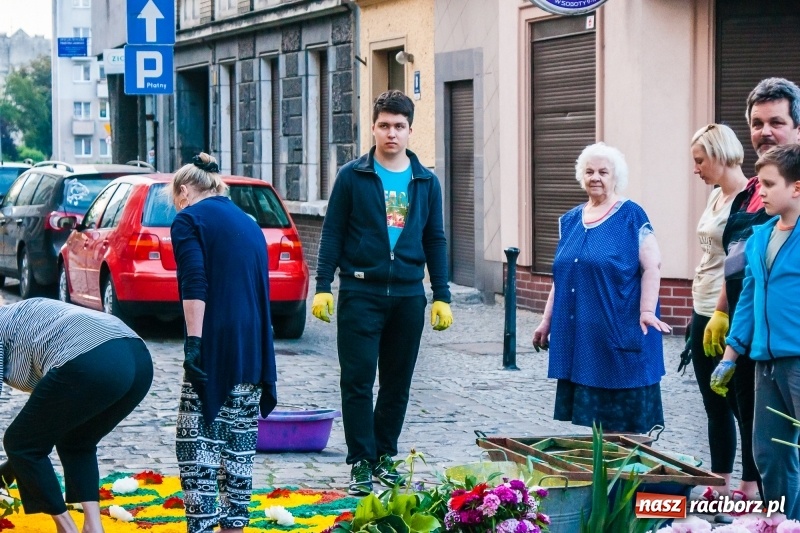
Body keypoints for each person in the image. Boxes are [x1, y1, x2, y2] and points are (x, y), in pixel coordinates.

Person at [312, 90, 453, 496]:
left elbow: (436, 239)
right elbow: (333, 233)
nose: (391, 133)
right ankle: (360, 461)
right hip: (360, 291)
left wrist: (441, 293)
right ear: (373, 127)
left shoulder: (425, 181)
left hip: (408, 296)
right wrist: (323, 286)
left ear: (410, 130)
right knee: (357, 380)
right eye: (384, 125)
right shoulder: (352, 176)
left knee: (397, 382)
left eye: (399, 126)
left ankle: (383, 455)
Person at [702, 77, 800, 502]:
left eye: (775, 122)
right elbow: (743, 282)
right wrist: (729, 342)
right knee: (767, 451)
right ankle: (782, 520)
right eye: (757, 123)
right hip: (762, 356)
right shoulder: (754, 210)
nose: (764, 131)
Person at [170, 153, 277, 533]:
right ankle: (234, 528)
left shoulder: (188, 220)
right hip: (253, 348)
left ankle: (200, 527)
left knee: (195, 447)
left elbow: (194, 282)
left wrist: (193, 343)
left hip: (216, 344)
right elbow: (260, 288)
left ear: (184, 191)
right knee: (238, 448)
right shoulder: (249, 223)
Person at [532, 142, 670, 433]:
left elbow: (652, 266)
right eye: (589, 171)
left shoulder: (631, 215)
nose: (595, 177)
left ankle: (629, 478)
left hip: (619, 333)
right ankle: (604, 476)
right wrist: (547, 321)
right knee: (598, 429)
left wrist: (647, 310)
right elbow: (562, 278)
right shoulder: (570, 220)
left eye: (603, 172)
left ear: (615, 177)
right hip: (584, 341)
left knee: (625, 428)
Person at [0, 298, 153, 533]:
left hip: (92, 358)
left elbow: (27, 443)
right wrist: (14, 467)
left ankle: (66, 529)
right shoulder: (20, 314)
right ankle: (93, 527)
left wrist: (19, 459)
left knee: (19, 442)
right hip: (137, 358)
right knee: (76, 440)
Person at [687, 124, 756, 502]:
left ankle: (750, 485)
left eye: (699, 160)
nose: (695, 168)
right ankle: (720, 481)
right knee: (712, 401)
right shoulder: (715, 196)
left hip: (728, 309)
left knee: (739, 401)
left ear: (718, 155)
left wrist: (722, 311)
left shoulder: (748, 198)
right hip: (701, 307)